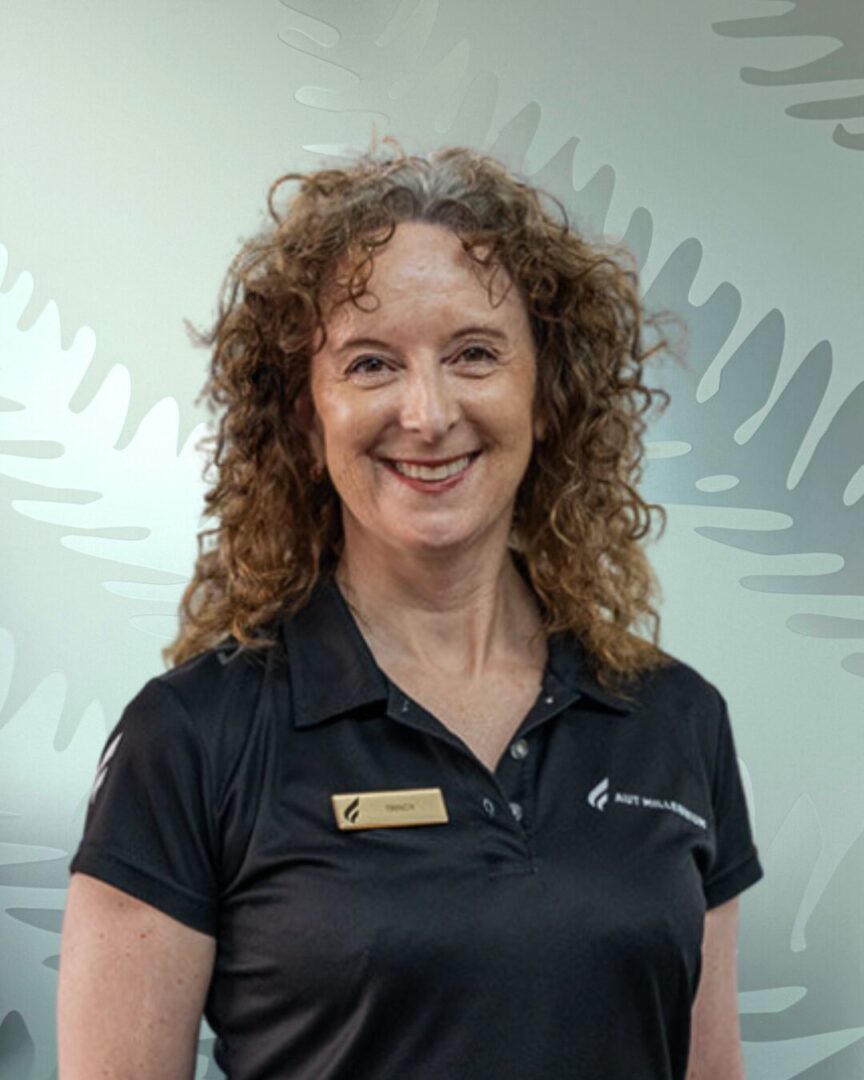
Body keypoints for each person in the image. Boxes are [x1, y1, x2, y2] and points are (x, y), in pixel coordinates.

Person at [58, 138, 764, 1080]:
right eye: (370, 364)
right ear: (306, 414)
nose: (427, 415)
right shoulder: (192, 738)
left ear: (546, 394)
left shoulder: (677, 721)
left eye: (474, 354)